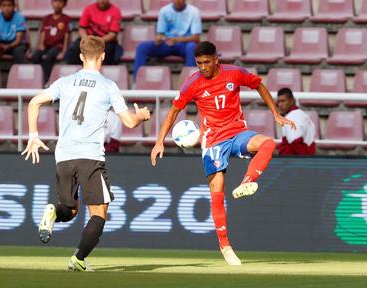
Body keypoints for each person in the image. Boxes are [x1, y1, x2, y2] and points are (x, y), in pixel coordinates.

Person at [150, 41, 295, 265]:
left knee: (268, 143)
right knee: (217, 189)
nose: (203, 67)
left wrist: (275, 113)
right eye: (199, 63)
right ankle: (225, 245)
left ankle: (248, 181)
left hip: (237, 132)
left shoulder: (234, 73)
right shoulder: (193, 83)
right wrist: (160, 141)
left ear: (216, 59)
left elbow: (259, 85)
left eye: (207, 62)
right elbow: (174, 110)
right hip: (213, 141)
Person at [21, 36, 150, 272]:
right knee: (99, 213)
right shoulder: (108, 86)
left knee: (69, 210)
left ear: (81, 56)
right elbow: (130, 122)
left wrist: (33, 135)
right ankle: (78, 260)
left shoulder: (65, 81)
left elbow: (34, 103)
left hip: (64, 156)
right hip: (90, 156)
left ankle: (53, 211)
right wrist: (142, 115)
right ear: (102, 57)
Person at [133, 0, 201, 79]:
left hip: (184, 45)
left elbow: (196, 38)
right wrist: (159, 38)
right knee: (142, 47)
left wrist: (176, 40)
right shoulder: (164, 10)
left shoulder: (194, 11)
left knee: (192, 47)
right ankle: (137, 81)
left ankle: (191, 82)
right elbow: (161, 33)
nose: (178, 1)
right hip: (167, 44)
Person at [65, 0, 122, 65]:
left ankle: (102, 73)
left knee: (108, 51)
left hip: (106, 41)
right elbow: (82, 28)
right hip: (88, 38)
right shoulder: (89, 9)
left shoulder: (115, 11)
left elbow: (113, 34)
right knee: (75, 48)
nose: (102, 1)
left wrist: (98, 41)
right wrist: (86, 39)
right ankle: (78, 72)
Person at [31, 0, 72, 83]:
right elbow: (43, 32)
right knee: (35, 56)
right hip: (46, 46)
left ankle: (46, 79)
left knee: (49, 57)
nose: (57, 4)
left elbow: (67, 35)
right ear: (52, 3)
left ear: (64, 4)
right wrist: (41, 44)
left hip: (57, 46)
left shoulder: (66, 19)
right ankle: (37, 78)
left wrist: (64, 50)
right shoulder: (47, 18)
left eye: (60, 2)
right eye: (55, 1)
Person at [277, 87, 316, 155]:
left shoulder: (291, 118)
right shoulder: (304, 115)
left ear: (292, 101)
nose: (280, 104)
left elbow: (296, 143)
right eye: (278, 102)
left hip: (294, 161)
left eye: (283, 101)